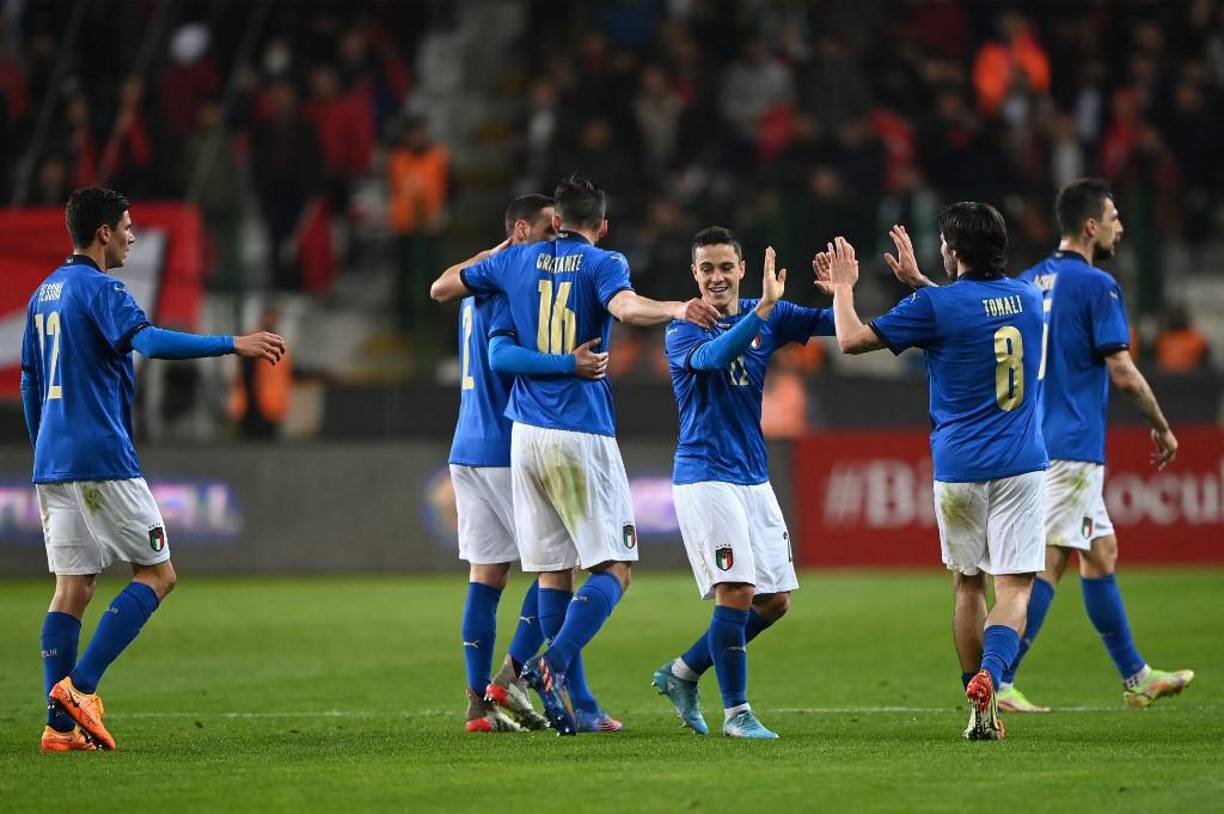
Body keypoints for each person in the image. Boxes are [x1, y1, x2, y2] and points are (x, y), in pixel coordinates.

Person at [431, 175, 718, 734]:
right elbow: (626, 307)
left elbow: (444, 289)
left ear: (558, 222)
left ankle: (545, 704)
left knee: (545, 574)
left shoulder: (510, 264)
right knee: (615, 568)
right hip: (572, 432)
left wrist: (500, 251)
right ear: (603, 226)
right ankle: (546, 667)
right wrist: (676, 308)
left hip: (515, 436)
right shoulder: (602, 263)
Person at [22, 187, 286, 752]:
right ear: (103, 233)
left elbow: (29, 381)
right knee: (158, 574)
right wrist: (232, 343)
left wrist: (43, 444)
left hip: (53, 459)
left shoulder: (44, 293)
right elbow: (148, 341)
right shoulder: (102, 290)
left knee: (72, 588)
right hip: (101, 455)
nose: (132, 236)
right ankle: (80, 689)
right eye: (126, 226)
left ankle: (59, 729)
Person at [819, 205, 1047, 740]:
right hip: (1022, 467)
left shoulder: (935, 306)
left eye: (944, 242)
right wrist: (922, 283)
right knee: (1015, 588)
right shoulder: (1029, 298)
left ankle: (978, 705)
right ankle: (994, 674)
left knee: (968, 585)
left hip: (960, 469)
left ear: (955, 251)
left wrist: (843, 288)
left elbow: (850, 340)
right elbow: (978, 312)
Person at [1000, 179, 1192, 711]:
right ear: (1090, 226)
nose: (1119, 227)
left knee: (1100, 552)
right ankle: (1000, 679)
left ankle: (1137, 676)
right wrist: (1161, 425)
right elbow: (1122, 370)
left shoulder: (1027, 281)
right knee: (1049, 561)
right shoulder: (1097, 285)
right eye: (1112, 218)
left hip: (1034, 439)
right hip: (1071, 445)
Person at [436, 193, 617, 733]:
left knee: (487, 575)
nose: (554, 243)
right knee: (556, 570)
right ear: (519, 231)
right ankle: (529, 681)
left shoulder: (477, 279)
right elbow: (504, 356)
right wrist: (567, 363)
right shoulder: (510, 282)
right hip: (509, 443)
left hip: (466, 445)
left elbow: (441, 286)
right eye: (546, 231)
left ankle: (479, 706)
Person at [651, 228, 834, 739]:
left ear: (742, 269)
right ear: (694, 274)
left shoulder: (766, 310)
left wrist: (841, 293)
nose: (717, 277)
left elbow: (834, 326)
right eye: (707, 268)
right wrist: (762, 312)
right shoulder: (683, 328)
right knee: (736, 590)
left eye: (726, 267)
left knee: (774, 602)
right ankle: (737, 714)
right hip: (705, 474)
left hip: (753, 475)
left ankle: (682, 672)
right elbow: (713, 359)